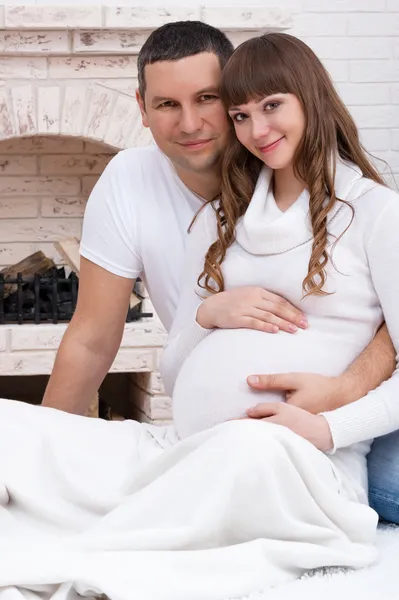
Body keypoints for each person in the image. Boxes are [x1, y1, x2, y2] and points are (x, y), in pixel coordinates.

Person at [0, 29, 398, 600]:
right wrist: (209, 313)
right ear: (143, 107)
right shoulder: (222, 219)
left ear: (309, 98)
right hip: (191, 446)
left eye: (268, 106)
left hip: (302, 453)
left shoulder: (376, 215)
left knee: (258, 452)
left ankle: (87, 547)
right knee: (14, 430)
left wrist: (332, 419)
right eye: (243, 113)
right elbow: (162, 359)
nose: (255, 130)